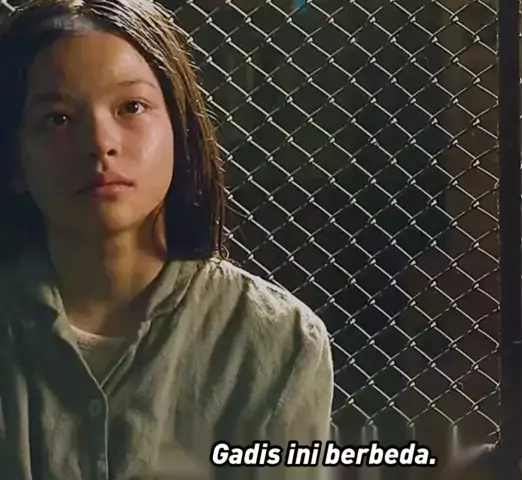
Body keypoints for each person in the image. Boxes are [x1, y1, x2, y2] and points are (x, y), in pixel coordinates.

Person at [0, 0, 334, 478]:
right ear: (14, 160)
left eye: (131, 107)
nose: (100, 143)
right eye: (58, 119)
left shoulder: (278, 341)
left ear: (180, 130)